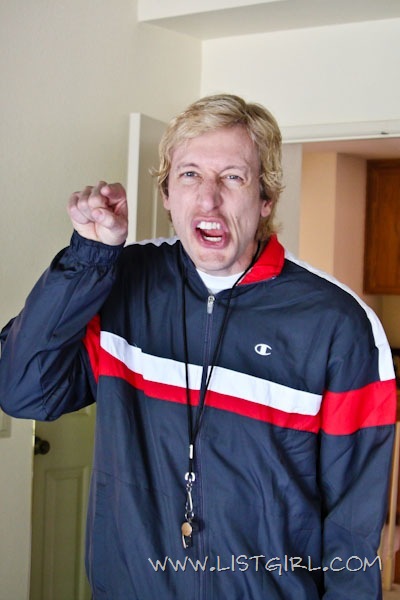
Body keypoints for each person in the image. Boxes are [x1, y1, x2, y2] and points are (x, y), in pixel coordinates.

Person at [0, 94, 397, 599]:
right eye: (189, 175)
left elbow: (353, 528)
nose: (208, 200)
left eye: (233, 177)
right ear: (167, 193)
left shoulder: (338, 324)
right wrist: (89, 257)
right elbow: (24, 391)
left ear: (265, 197)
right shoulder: (120, 282)